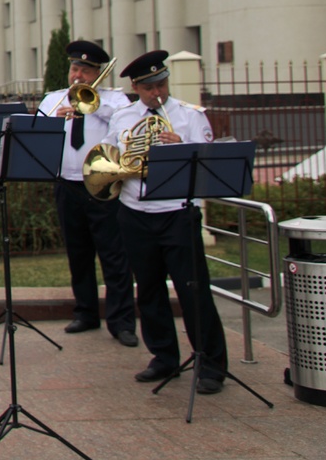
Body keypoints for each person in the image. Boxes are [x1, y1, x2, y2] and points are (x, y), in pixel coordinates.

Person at [98, 50, 228, 394]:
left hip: (177, 213)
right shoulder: (124, 117)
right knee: (150, 289)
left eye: (162, 83)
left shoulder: (189, 116)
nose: (158, 92)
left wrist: (181, 145)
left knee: (193, 289)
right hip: (135, 212)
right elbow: (110, 157)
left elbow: (208, 165)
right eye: (150, 87)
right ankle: (163, 357)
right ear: (136, 87)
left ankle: (211, 364)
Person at [35, 41, 137, 347]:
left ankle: (122, 322)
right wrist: (56, 118)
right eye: (74, 68)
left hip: (103, 186)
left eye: (85, 70)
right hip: (67, 184)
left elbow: (124, 132)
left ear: (98, 73)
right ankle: (86, 312)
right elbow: (37, 134)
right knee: (78, 254)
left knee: (114, 256)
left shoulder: (115, 101)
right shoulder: (53, 99)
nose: (77, 75)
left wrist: (90, 105)